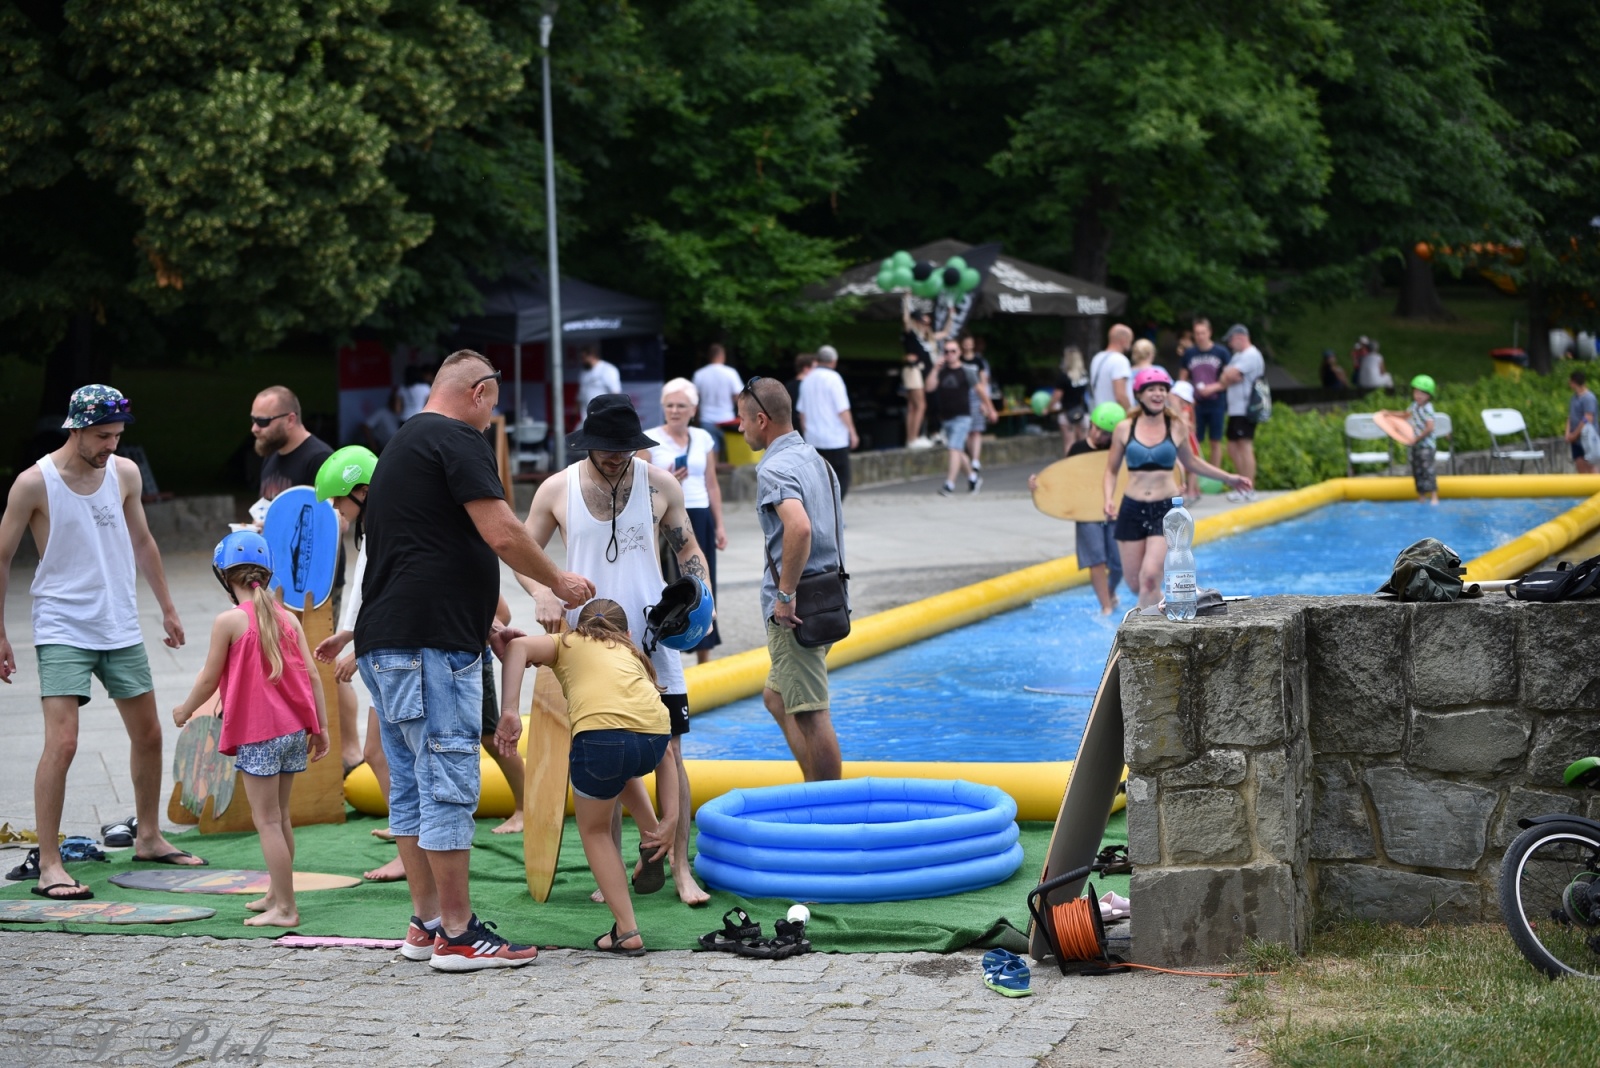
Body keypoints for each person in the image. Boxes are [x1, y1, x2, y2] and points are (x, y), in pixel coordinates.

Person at [355, 350, 594, 971]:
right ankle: (459, 934)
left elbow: (418, 550)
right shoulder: (456, 438)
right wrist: (558, 582)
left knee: (409, 786)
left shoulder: (403, 444)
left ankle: (427, 921)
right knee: (449, 782)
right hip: (429, 646)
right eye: (493, 408)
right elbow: (504, 533)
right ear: (480, 392)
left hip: (390, 641)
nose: (492, 423)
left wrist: (481, 619)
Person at [0, 384, 202, 900]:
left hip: (119, 623)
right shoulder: (33, 483)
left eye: (117, 435)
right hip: (63, 626)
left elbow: (143, 540)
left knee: (150, 735)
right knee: (62, 743)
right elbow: (2, 557)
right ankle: (49, 863)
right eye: (103, 436)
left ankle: (150, 837)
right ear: (76, 428)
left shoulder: (124, 473)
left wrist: (169, 607)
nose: (113, 445)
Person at [523, 393, 710, 907]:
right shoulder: (556, 489)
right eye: (606, 447)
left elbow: (687, 546)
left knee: (670, 747)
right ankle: (634, 853)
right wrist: (543, 590)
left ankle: (678, 866)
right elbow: (521, 551)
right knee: (609, 748)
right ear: (588, 442)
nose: (615, 455)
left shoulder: (661, 484)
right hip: (590, 643)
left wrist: (701, 598)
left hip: (655, 636)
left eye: (624, 447)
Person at [172, 532, 329, 927]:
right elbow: (312, 676)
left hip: (260, 735)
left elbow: (209, 680)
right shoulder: (287, 617)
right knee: (282, 817)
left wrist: (184, 710)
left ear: (225, 577)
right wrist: (321, 727)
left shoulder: (229, 621)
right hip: (294, 731)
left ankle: (286, 909)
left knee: (268, 822)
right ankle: (278, 894)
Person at [499, 599, 673, 955]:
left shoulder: (567, 641)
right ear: (626, 633)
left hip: (600, 739)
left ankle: (627, 931)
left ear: (579, 628)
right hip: (654, 741)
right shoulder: (632, 654)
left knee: (595, 830)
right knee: (618, 769)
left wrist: (510, 711)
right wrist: (671, 818)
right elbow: (669, 754)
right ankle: (651, 835)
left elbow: (516, 646)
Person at [736, 377, 845, 782]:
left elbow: (799, 528)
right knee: (777, 698)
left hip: (797, 610)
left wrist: (785, 595)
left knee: (812, 714)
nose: (739, 427)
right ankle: (814, 790)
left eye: (743, 420)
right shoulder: (815, 458)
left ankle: (828, 812)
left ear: (761, 420)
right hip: (829, 595)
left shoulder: (774, 468)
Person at [250, 385, 358, 771]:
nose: (255, 429)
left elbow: (337, 522)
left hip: (317, 583)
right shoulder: (272, 458)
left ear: (290, 419)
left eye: (263, 421)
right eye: (253, 421)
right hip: (280, 580)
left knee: (324, 660)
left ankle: (351, 752)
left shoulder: (319, 459)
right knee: (295, 661)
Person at [1104, 368, 1251, 607]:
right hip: (1132, 507)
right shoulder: (1124, 428)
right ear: (1139, 394)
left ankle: (1146, 636)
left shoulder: (1176, 426)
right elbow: (1110, 470)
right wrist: (1108, 498)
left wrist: (1229, 478)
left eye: (1162, 389)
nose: (1158, 394)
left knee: (1150, 578)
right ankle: (1176, 604)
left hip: (1167, 508)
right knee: (1135, 584)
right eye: (1151, 389)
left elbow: (1192, 462)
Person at [642, 378, 726, 664]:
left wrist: (720, 525)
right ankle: (671, 651)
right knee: (673, 585)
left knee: (705, 582)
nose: (675, 410)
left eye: (681, 405)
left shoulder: (703, 438)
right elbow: (638, 485)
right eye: (669, 405)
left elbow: (712, 483)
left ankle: (705, 654)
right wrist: (663, 478)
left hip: (700, 513)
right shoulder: (650, 439)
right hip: (667, 517)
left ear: (693, 409)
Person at [1029, 402, 1126, 615]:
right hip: (1086, 513)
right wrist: (1039, 486)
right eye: (1098, 429)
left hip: (1114, 511)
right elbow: (1066, 481)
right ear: (1090, 425)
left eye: (1108, 434)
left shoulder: (1119, 451)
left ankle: (1109, 591)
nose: (1101, 436)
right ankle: (1106, 606)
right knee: (1096, 559)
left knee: (1119, 563)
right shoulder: (1077, 449)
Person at [797, 344, 859, 499]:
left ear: (817, 359)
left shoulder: (807, 380)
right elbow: (842, 409)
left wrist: (806, 434)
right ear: (834, 361)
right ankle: (834, 512)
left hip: (813, 439)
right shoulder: (834, 379)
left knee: (819, 479)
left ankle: (821, 513)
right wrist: (852, 432)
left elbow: (802, 413)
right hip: (834, 438)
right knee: (841, 478)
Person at [926, 339, 981, 496]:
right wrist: (935, 369)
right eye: (946, 351)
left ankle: (949, 485)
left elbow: (980, 390)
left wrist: (989, 408)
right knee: (957, 451)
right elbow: (929, 387)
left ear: (959, 353)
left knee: (953, 448)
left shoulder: (966, 371)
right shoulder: (942, 371)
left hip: (963, 416)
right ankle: (972, 478)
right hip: (946, 417)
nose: (949, 354)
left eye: (953, 351)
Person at [1218, 324, 1266, 502]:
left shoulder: (1251, 355)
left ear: (1239, 337)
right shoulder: (1238, 356)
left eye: (1231, 340)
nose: (1230, 345)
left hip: (1246, 408)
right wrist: (1227, 375)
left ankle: (1248, 488)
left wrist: (1228, 375)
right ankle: (1242, 484)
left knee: (1244, 445)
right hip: (1235, 408)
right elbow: (1224, 377)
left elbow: (1230, 375)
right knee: (1232, 447)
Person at [1181, 318, 1230, 470]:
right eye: (1197, 333)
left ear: (1209, 332)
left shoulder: (1221, 352)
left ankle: (1216, 476)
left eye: (1203, 333)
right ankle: (1195, 478)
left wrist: (1213, 387)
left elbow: (1229, 378)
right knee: (1195, 440)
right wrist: (1186, 399)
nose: (1200, 336)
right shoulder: (1189, 353)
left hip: (1216, 401)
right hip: (1196, 403)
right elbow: (1182, 379)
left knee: (1215, 441)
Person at [900, 299, 940, 448]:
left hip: (915, 371)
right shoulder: (910, 334)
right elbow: (905, 320)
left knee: (912, 406)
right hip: (913, 370)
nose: (924, 324)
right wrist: (906, 300)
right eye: (922, 321)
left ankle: (910, 438)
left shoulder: (922, 338)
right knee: (921, 405)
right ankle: (913, 438)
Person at [960, 336, 998, 474]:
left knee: (976, 430)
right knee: (967, 431)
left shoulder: (979, 362)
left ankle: (975, 459)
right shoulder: (959, 360)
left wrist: (985, 403)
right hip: (963, 398)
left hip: (976, 397)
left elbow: (983, 382)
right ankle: (970, 457)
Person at [1400, 375, 1440, 505]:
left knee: (1428, 469)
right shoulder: (1413, 406)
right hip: (1415, 445)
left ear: (1429, 396)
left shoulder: (1428, 408)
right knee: (1417, 470)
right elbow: (1405, 416)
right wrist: (1389, 415)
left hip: (1426, 445)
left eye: (1422, 393)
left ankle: (1434, 496)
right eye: (1416, 392)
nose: (1418, 396)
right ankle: (1421, 496)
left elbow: (1429, 427)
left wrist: (1416, 438)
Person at [692, 343, 743, 444]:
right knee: (730, 455)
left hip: (706, 419)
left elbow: (694, 399)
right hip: (727, 420)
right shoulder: (731, 373)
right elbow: (738, 397)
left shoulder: (699, 374)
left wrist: (696, 419)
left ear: (709, 357)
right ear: (722, 355)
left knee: (711, 454)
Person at [1048, 346, 1089, 456]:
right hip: (1082, 411)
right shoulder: (1084, 375)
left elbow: (1057, 396)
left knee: (1069, 443)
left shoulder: (1063, 377)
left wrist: (1048, 408)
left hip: (1067, 412)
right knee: (1083, 442)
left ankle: (1069, 467)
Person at [1169, 381, 1204, 501]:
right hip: (1177, 438)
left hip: (1187, 438)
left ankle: (1190, 492)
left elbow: (1184, 422)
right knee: (1182, 465)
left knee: (1190, 464)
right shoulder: (1170, 406)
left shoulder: (1185, 408)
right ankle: (1189, 491)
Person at [1089, 324, 1134, 412]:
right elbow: (1120, 395)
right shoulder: (1120, 360)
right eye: (1130, 340)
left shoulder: (1097, 357)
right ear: (1123, 340)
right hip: (1115, 416)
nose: (1130, 344)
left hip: (1099, 413)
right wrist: (1131, 414)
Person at [577, 346, 623, 418]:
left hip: (603, 415)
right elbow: (581, 394)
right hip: (586, 416)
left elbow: (615, 394)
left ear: (591, 356)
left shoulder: (608, 369)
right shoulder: (584, 372)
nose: (582, 361)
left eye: (583, 358)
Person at [1567, 369, 1598, 475]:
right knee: (1579, 465)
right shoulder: (1574, 398)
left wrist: (1575, 434)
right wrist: (1568, 434)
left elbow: (1587, 418)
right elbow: (1570, 417)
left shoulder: (1589, 398)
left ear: (1574, 382)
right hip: (1576, 441)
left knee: (1591, 467)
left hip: (1587, 439)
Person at [363, 389, 405, 453]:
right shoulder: (382, 412)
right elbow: (365, 426)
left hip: (401, 448)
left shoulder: (405, 414)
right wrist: (373, 445)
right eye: (395, 400)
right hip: (384, 449)